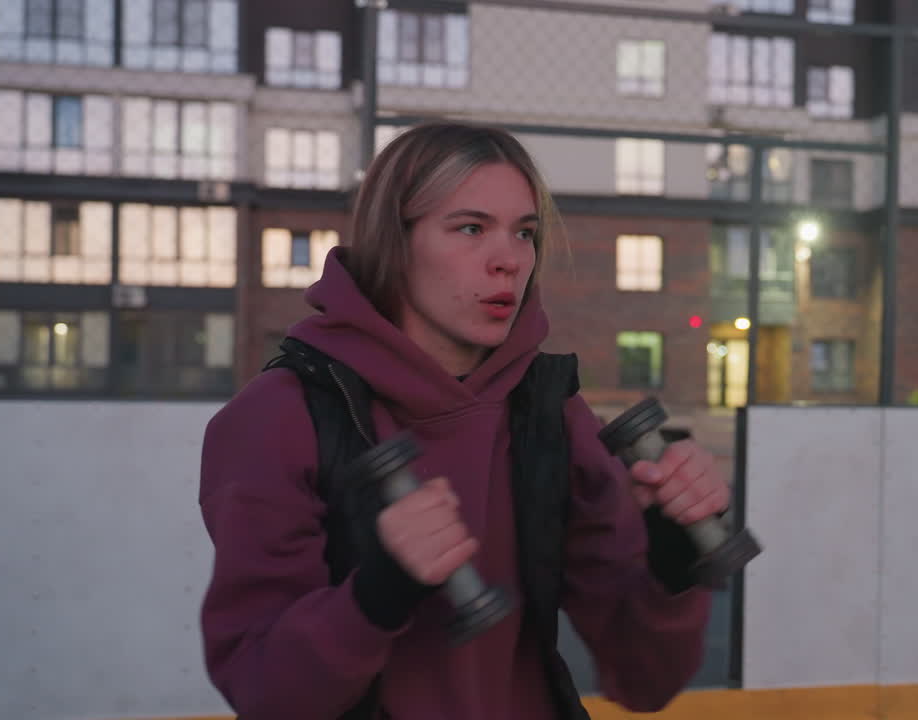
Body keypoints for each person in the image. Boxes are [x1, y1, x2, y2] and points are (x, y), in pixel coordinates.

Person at [197, 123, 728, 719]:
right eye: (471, 228)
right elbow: (264, 691)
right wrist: (377, 594)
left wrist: (674, 556)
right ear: (394, 241)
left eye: (524, 233)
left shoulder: (548, 415)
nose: (507, 261)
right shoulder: (277, 420)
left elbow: (644, 679)